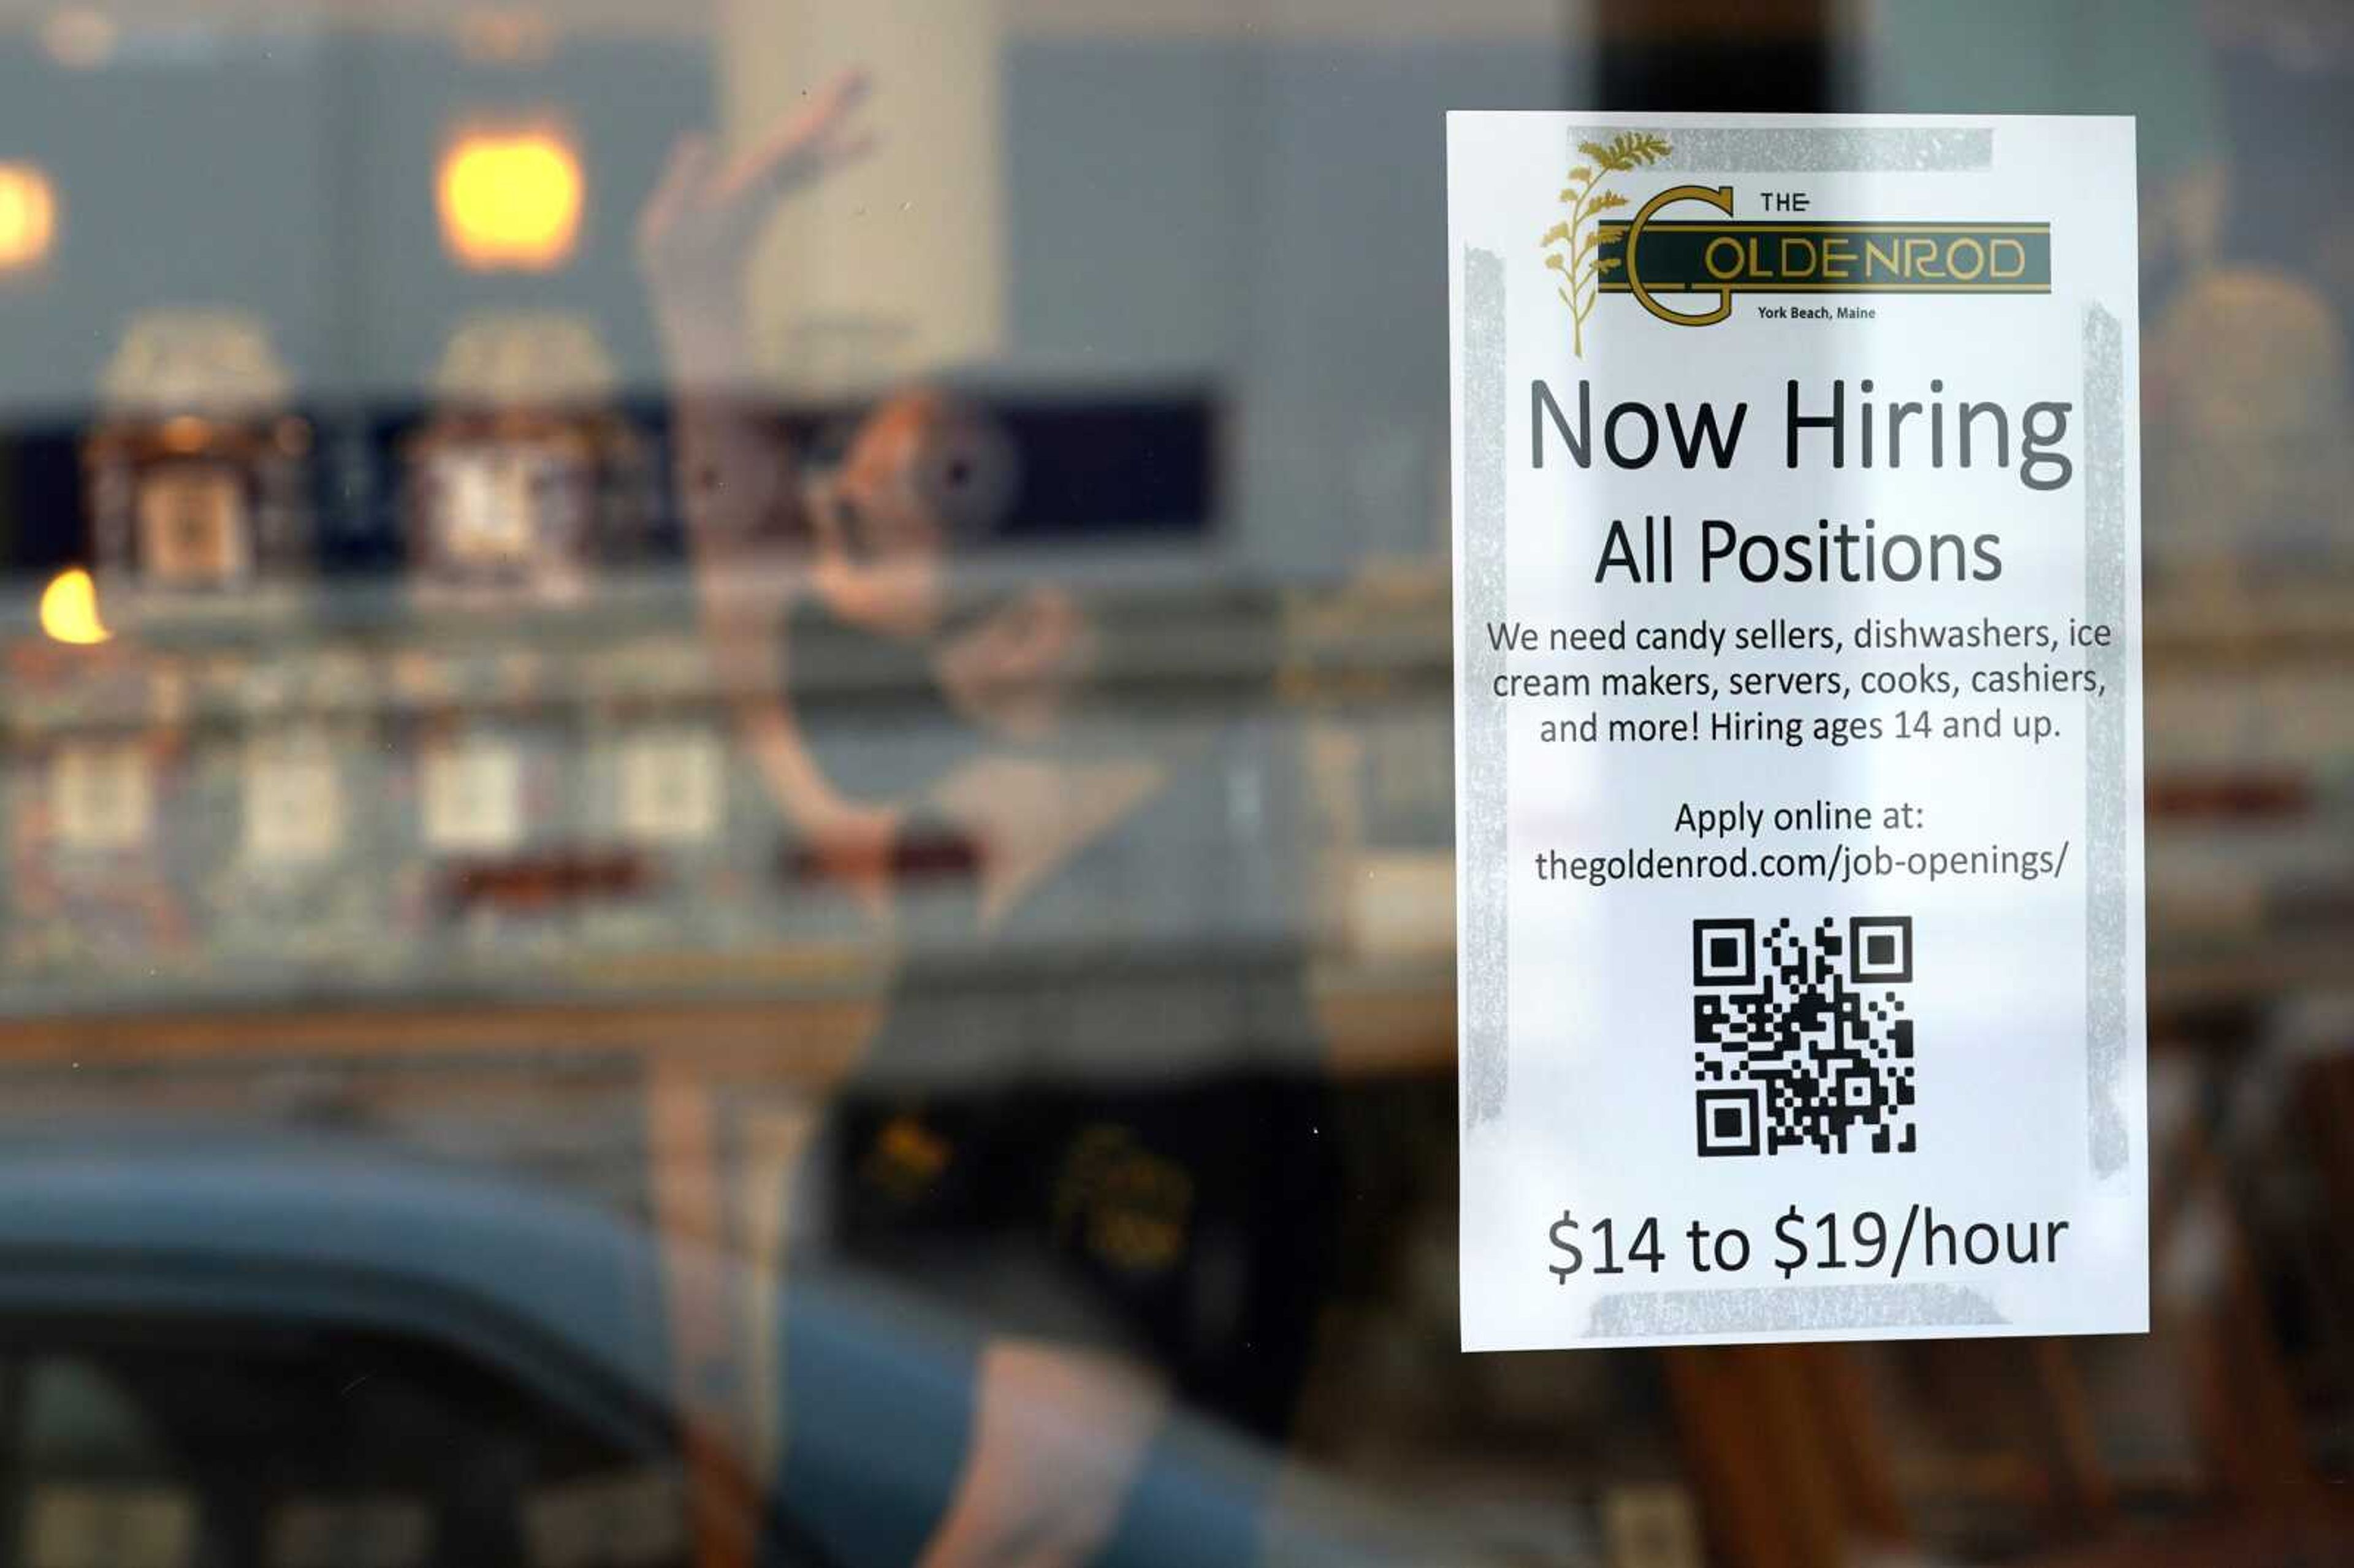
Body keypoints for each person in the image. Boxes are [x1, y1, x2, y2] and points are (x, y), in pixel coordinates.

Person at [638, 70, 1334, 1567]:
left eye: (860, 534)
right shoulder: (990, 889)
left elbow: (1036, 1517)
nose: (816, 571)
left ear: (1034, 639)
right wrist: (705, 310)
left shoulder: (1147, 1025)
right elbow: (759, 658)